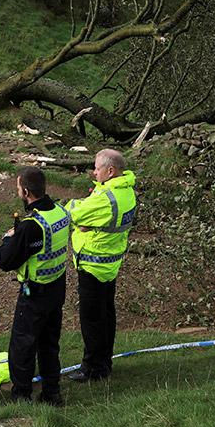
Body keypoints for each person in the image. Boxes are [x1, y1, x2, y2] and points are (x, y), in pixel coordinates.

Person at [0, 166, 70, 406]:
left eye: (18, 188)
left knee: (23, 345)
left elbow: (5, 261)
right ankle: (52, 392)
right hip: (57, 287)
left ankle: (21, 396)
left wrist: (9, 239)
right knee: (49, 343)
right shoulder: (60, 212)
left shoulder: (31, 226)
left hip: (34, 293)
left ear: (25, 192)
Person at [65, 149, 137, 383]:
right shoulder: (125, 192)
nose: (93, 172)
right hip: (111, 263)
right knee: (107, 315)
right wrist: (89, 220)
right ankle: (105, 362)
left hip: (93, 265)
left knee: (92, 320)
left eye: (97, 168)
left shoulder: (106, 199)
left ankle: (93, 368)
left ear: (110, 170)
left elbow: (72, 213)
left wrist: (80, 215)